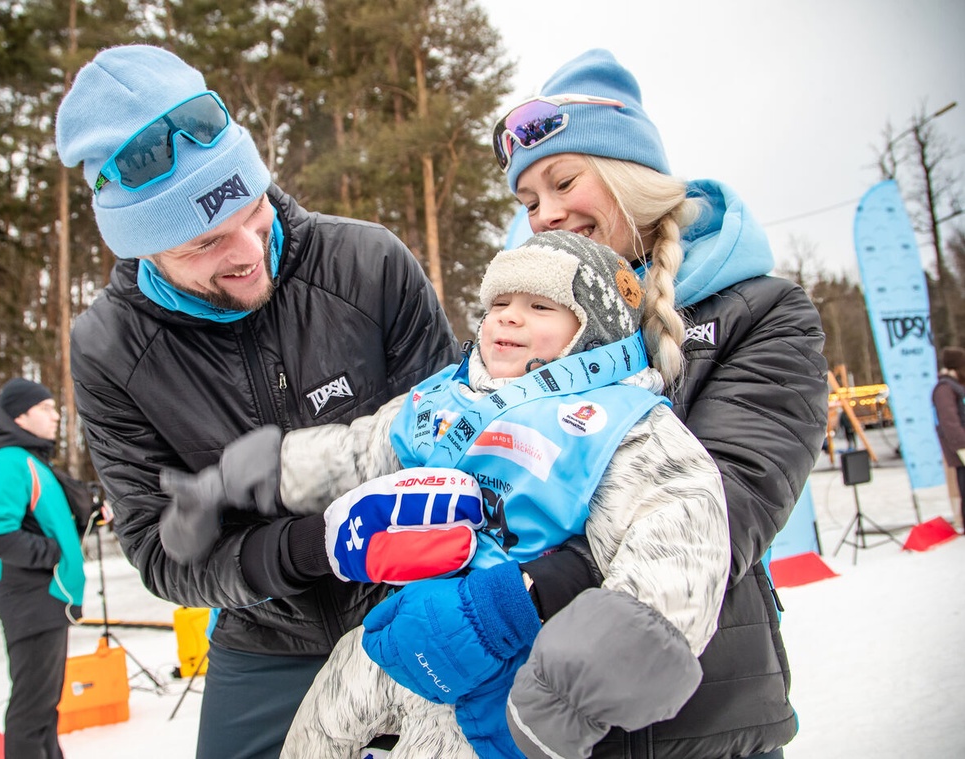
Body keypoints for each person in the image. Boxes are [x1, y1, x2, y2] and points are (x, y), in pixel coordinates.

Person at [360, 49, 827, 759]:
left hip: (698, 712)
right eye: (527, 202)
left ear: (625, 174)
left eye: (563, 181)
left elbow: (731, 500)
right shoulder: (532, 322)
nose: (546, 214)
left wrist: (521, 593)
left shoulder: (760, 310)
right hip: (522, 702)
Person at [54, 45, 459, 759]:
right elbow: (157, 552)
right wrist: (307, 548)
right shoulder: (107, 349)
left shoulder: (368, 264)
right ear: (144, 248)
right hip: (265, 638)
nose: (249, 250)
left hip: (411, 608)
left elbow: (456, 441)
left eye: (253, 208)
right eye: (208, 241)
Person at [230, 230, 727, 758]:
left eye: (540, 305)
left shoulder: (616, 422)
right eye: (499, 304)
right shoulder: (448, 396)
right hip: (398, 627)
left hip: (510, 655)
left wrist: (576, 691)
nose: (509, 317)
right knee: (317, 729)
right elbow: (363, 450)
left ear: (593, 333)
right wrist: (264, 470)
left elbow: (677, 545)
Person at [0, 378, 86, 759]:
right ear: (20, 415)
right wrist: (53, 553)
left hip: (46, 600)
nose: (56, 415)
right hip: (31, 599)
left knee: (45, 707)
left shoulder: (29, 459)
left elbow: (41, 519)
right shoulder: (8, 461)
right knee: (32, 710)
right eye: (46, 408)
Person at [933, 346, 965, 533]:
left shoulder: (956, 385)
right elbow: (949, 422)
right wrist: (962, 446)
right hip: (960, 449)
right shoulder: (945, 388)